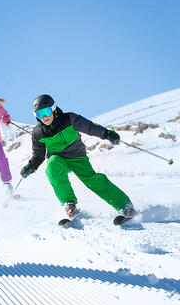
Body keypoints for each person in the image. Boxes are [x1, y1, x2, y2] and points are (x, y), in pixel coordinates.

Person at [19, 94, 135, 222]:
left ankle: (124, 205)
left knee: (92, 180)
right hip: (57, 158)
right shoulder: (38, 133)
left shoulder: (69, 119)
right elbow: (38, 155)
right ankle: (69, 204)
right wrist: (30, 166)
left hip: (77, 156)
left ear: (53, 109)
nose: (45, 117)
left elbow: (90, 127)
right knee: (52, 168)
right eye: (40, 114)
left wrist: (106, 133)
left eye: (46, 112)